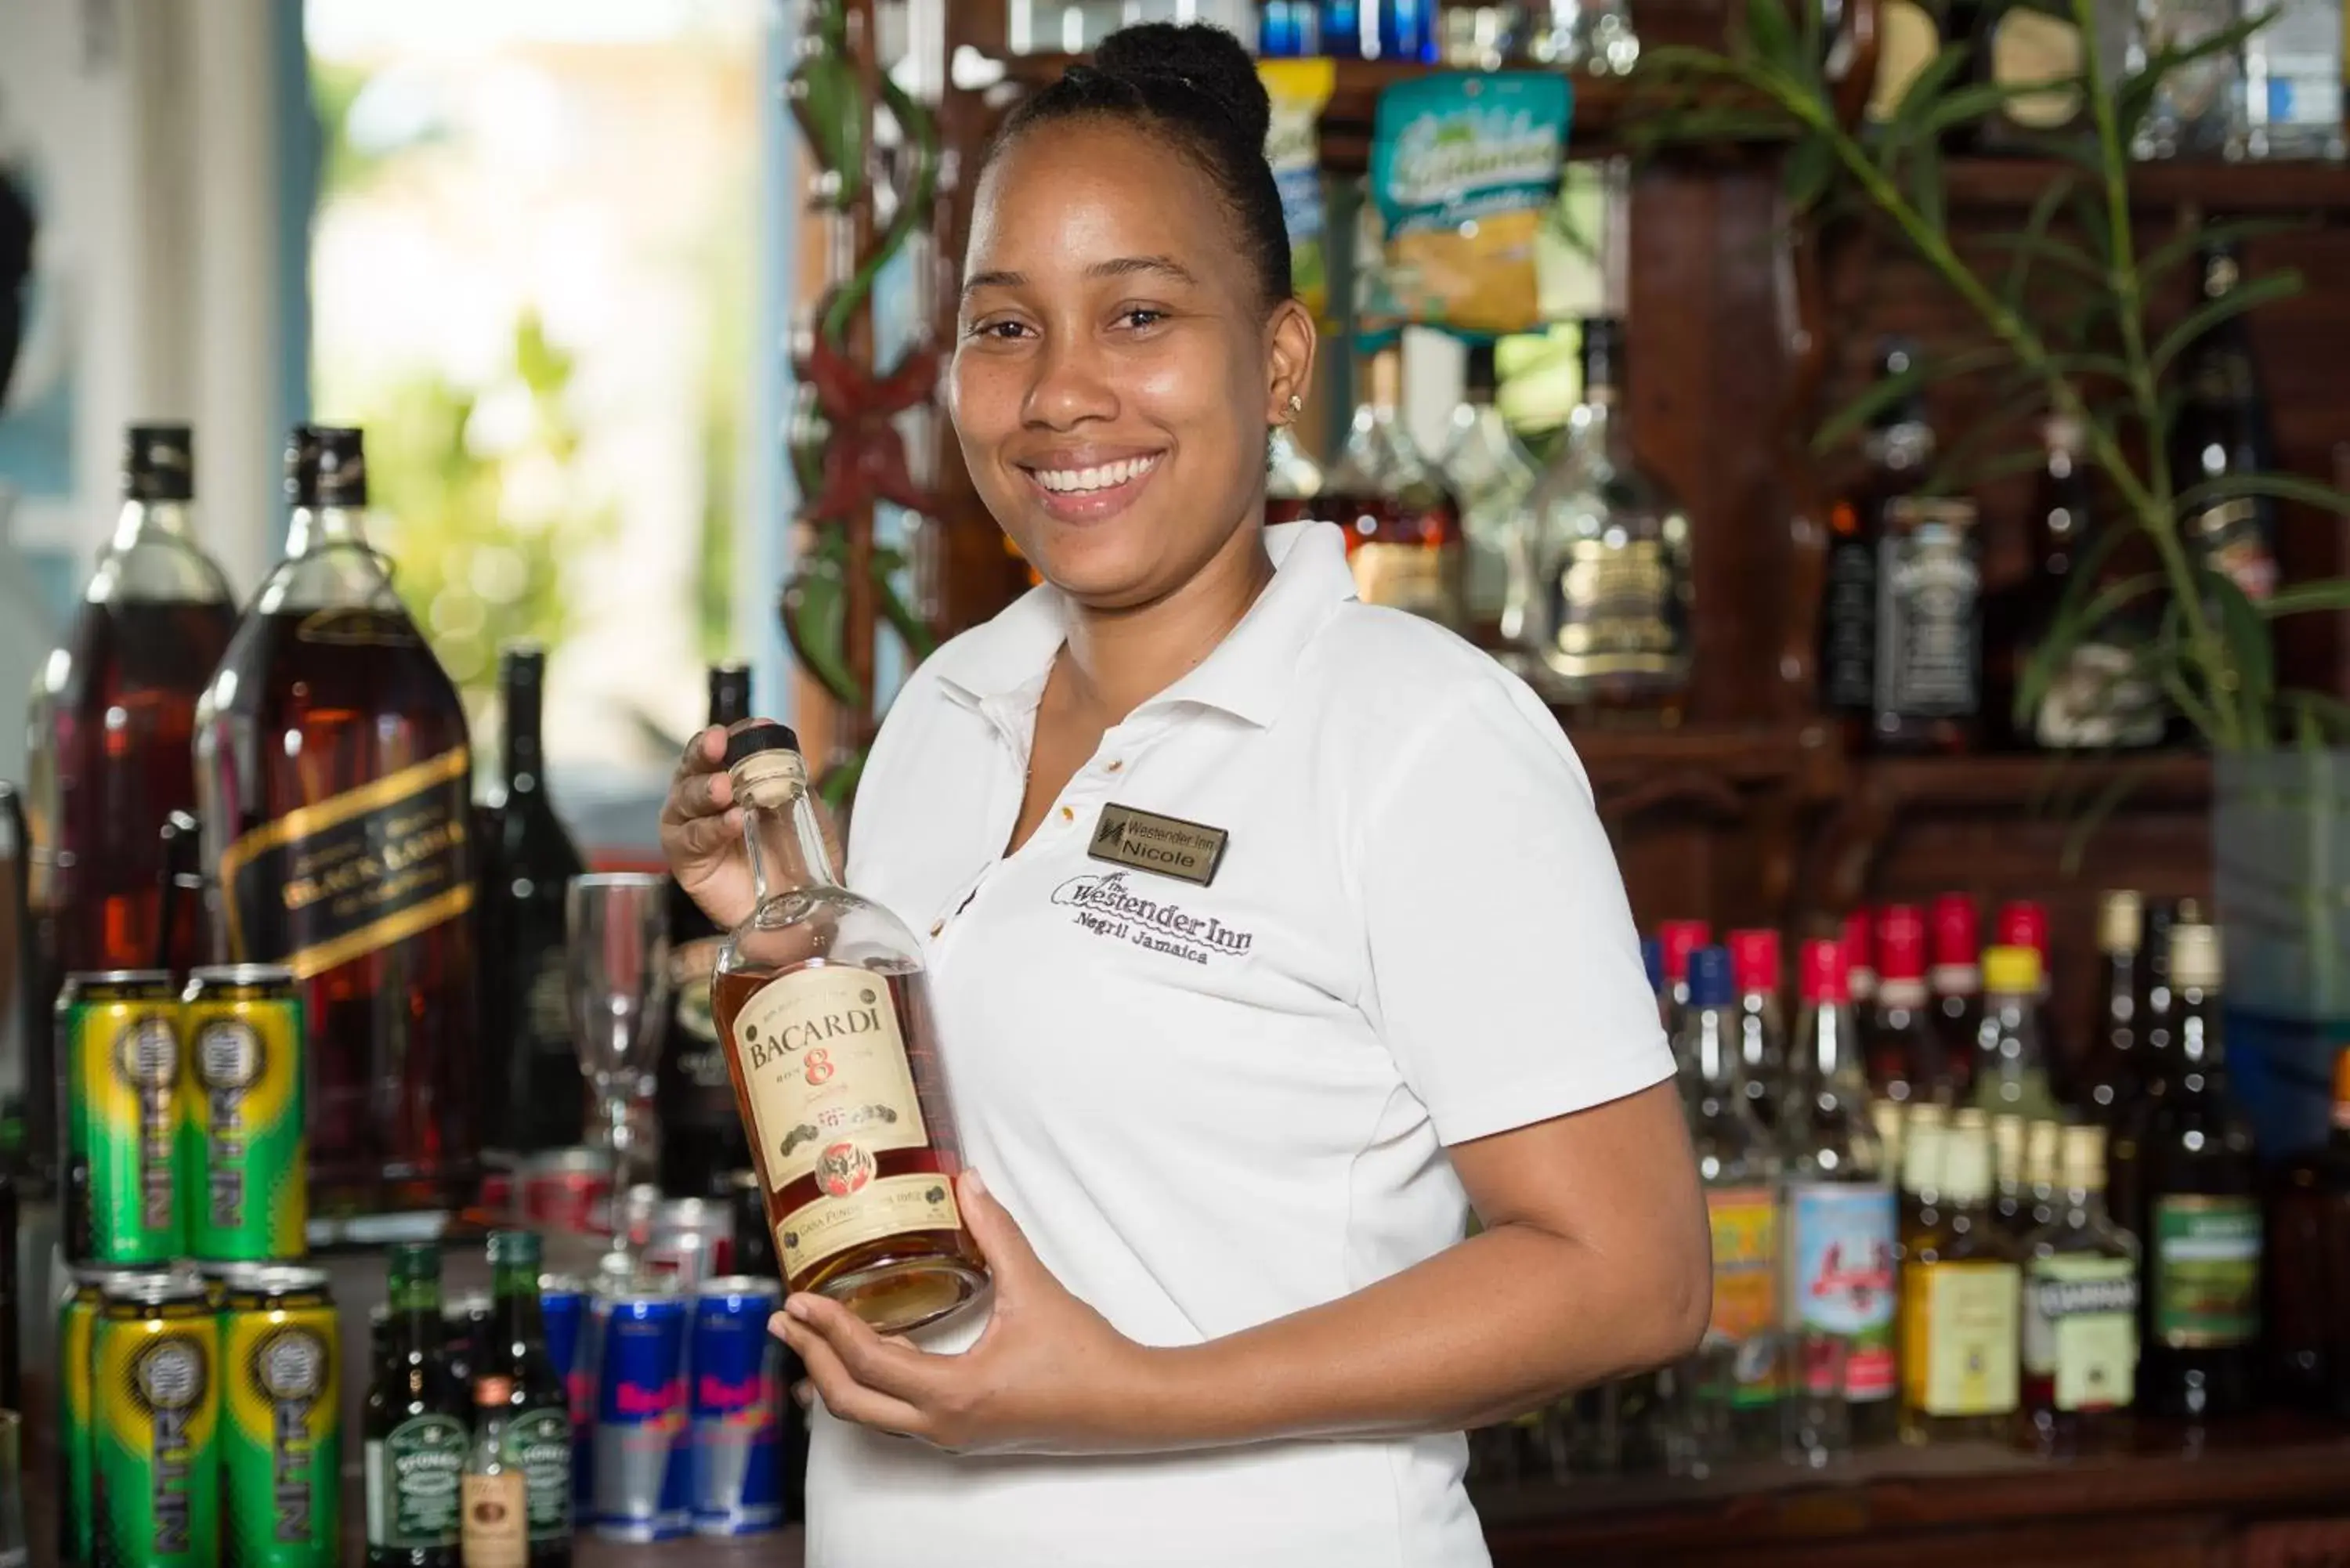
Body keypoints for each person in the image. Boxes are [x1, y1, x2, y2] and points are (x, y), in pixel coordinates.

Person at [660, 22, 1708, 1567]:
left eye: (1137, 313)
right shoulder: (944, 715)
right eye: (1003, 326)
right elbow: (993, 1170)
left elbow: (1635, 1273)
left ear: (1279, 357)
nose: (1062, 394)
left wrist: (1130, 1395)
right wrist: (803, 929)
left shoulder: (1419, 737)